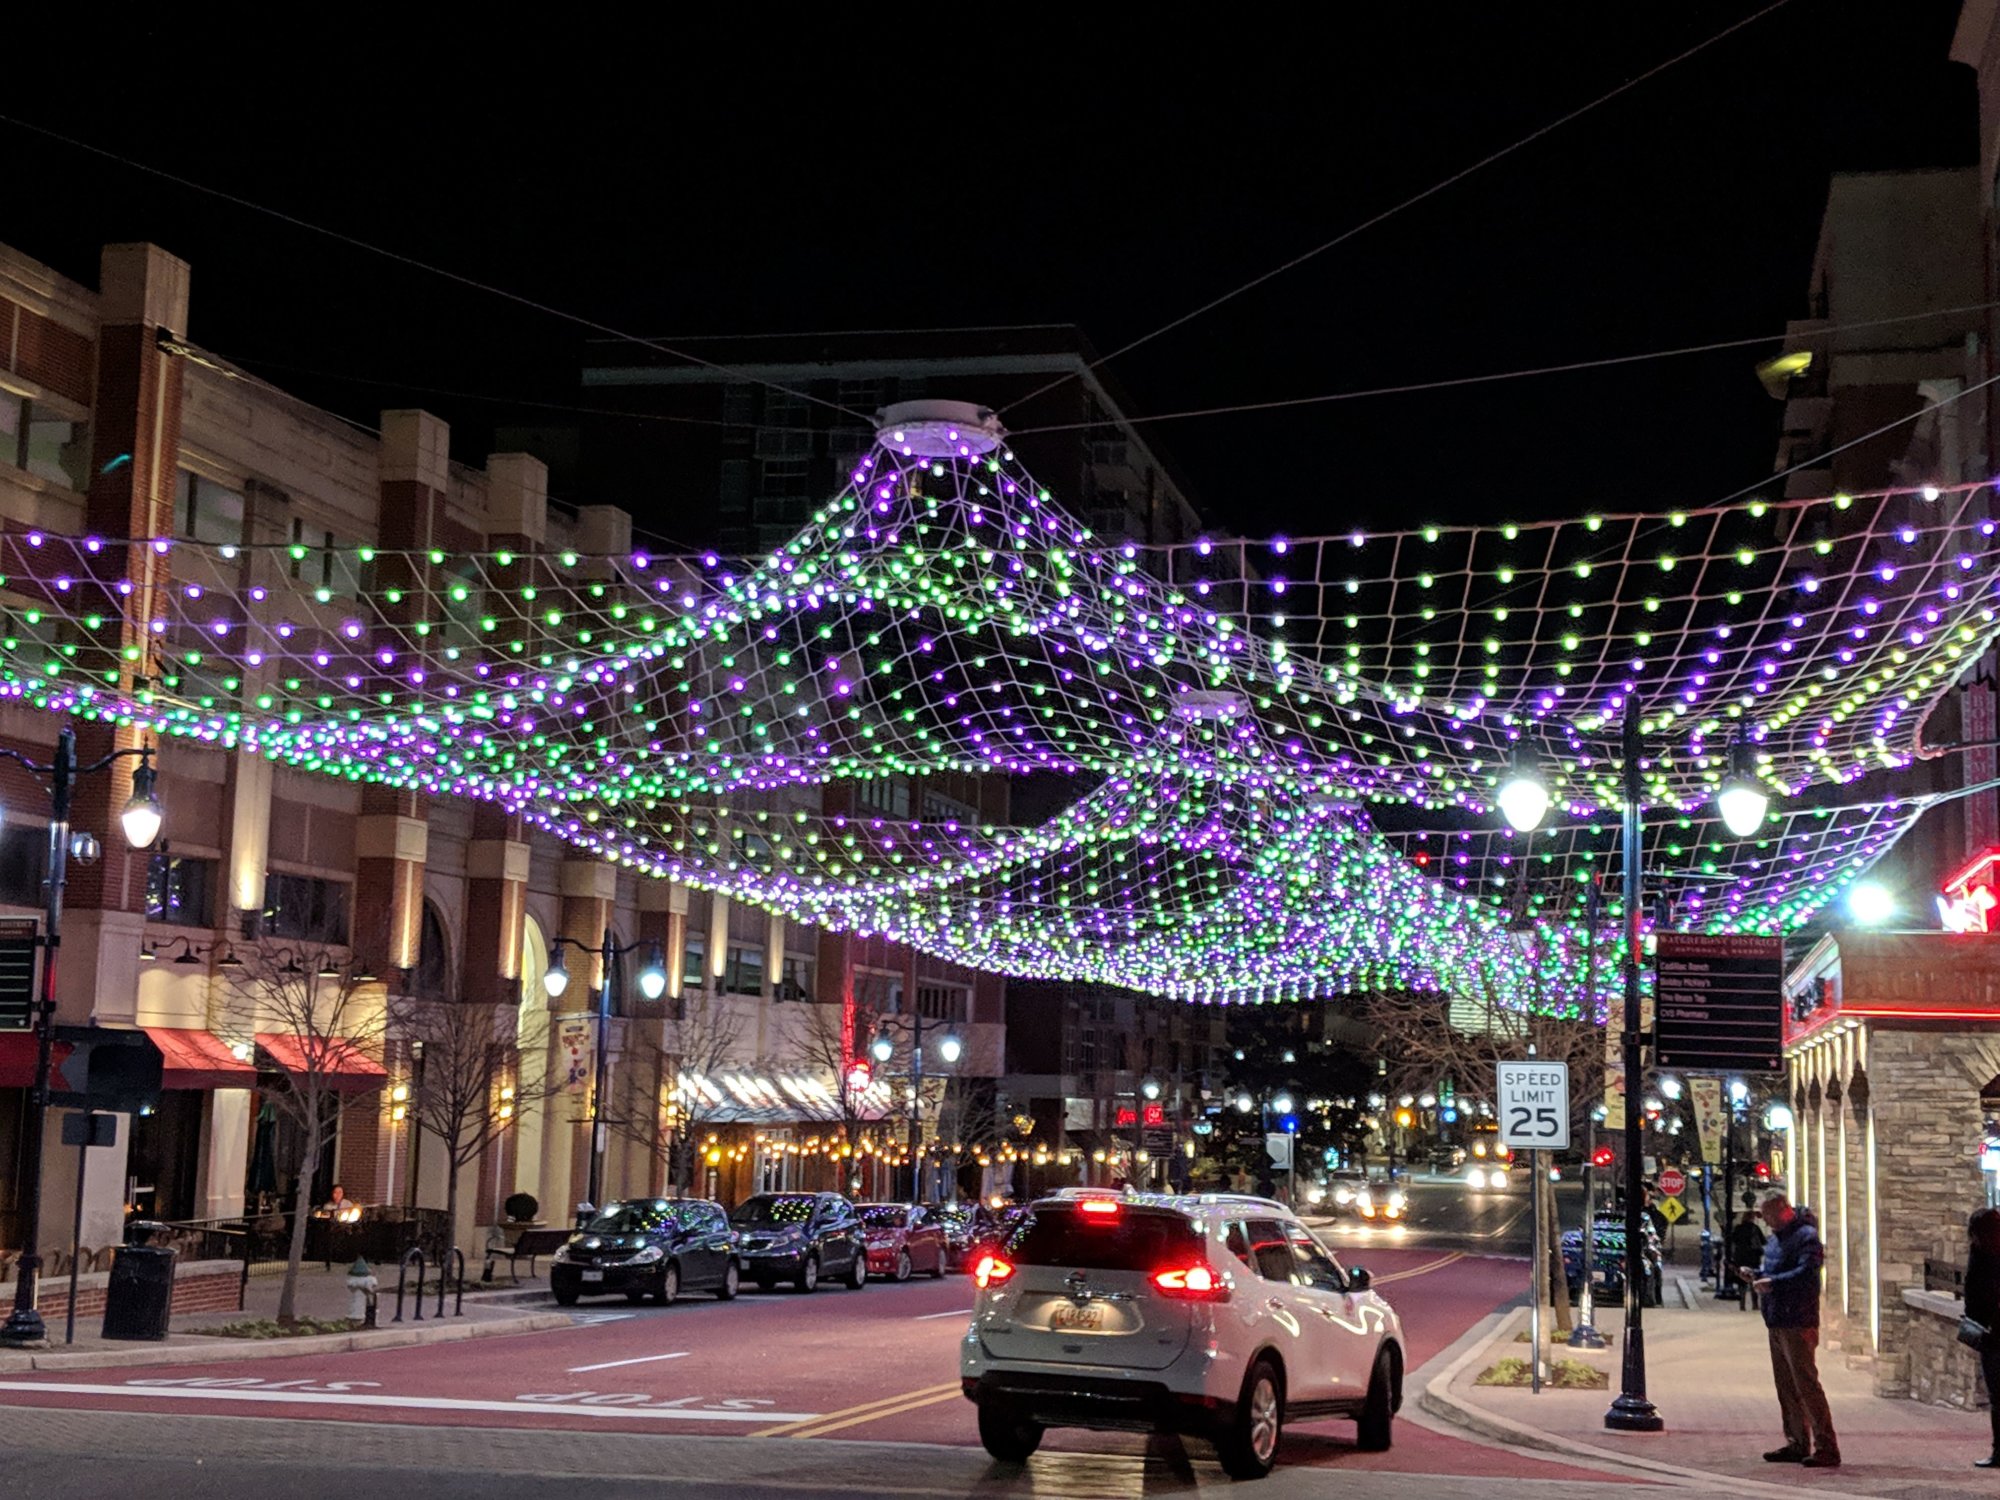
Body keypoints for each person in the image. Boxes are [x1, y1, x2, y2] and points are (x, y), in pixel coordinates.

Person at [1741, 1191, 1838, 1468]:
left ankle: (1826, 1446)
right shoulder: (1776, 1238)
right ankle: (1796, 1441)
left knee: (1806, 1384)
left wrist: (1774, 1282)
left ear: (1783, 1210)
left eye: (1769, 1215)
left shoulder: (1806, 1236)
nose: (1767, 1221)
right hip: (1777, 1319)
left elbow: (1808, 1272)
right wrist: (1757, 1275)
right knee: (1786, 1385)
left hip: (1798, 1320)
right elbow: (1775, 1269)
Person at [1964, 1207, 2000, 1469]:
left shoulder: (1981, 1255)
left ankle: (1999, 1451)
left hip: (1993, 1333)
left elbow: (1974, 1291)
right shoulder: (1982, 1254)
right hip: (1992, 1332)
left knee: (1997, 1396)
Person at [1729, 1210, 1768, 1312]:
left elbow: (1733, 1240)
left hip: (1740, 1257)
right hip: (1753, 1257)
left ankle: (1742, 1305)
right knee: (1753, 1280)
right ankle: (1755, 1304)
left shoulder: (1738, 1228)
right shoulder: (1755, 1228)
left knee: (1742, 1282)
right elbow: (1763, 1241)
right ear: (1752, 1218)